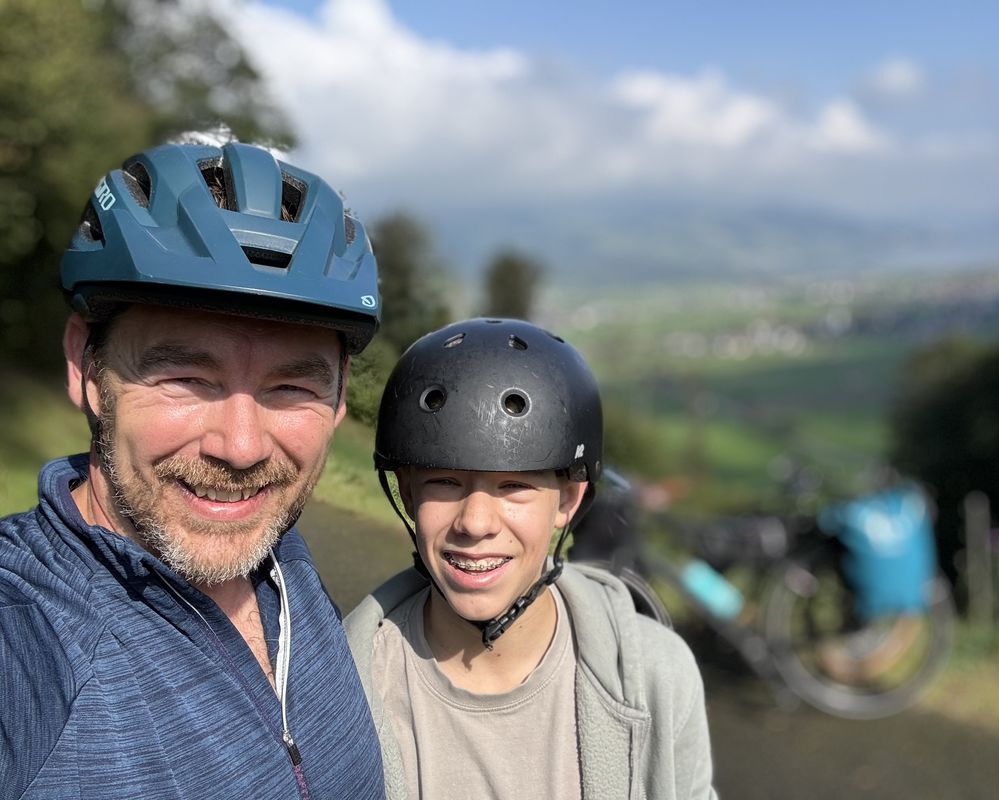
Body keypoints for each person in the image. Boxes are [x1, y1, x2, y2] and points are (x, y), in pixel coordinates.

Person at [0, 138, 386, 799]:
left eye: (291, 387)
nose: (241, 448)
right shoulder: (25, 630)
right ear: (85, 366)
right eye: (185, 378)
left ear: (339, 395)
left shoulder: (283, 562)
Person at [344, 318, 716, 799]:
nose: (475, 522)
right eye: (445, 482)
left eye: (513, 485)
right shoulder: (340, 692)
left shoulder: (659, 676)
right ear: (408, 494)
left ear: (568, 501)